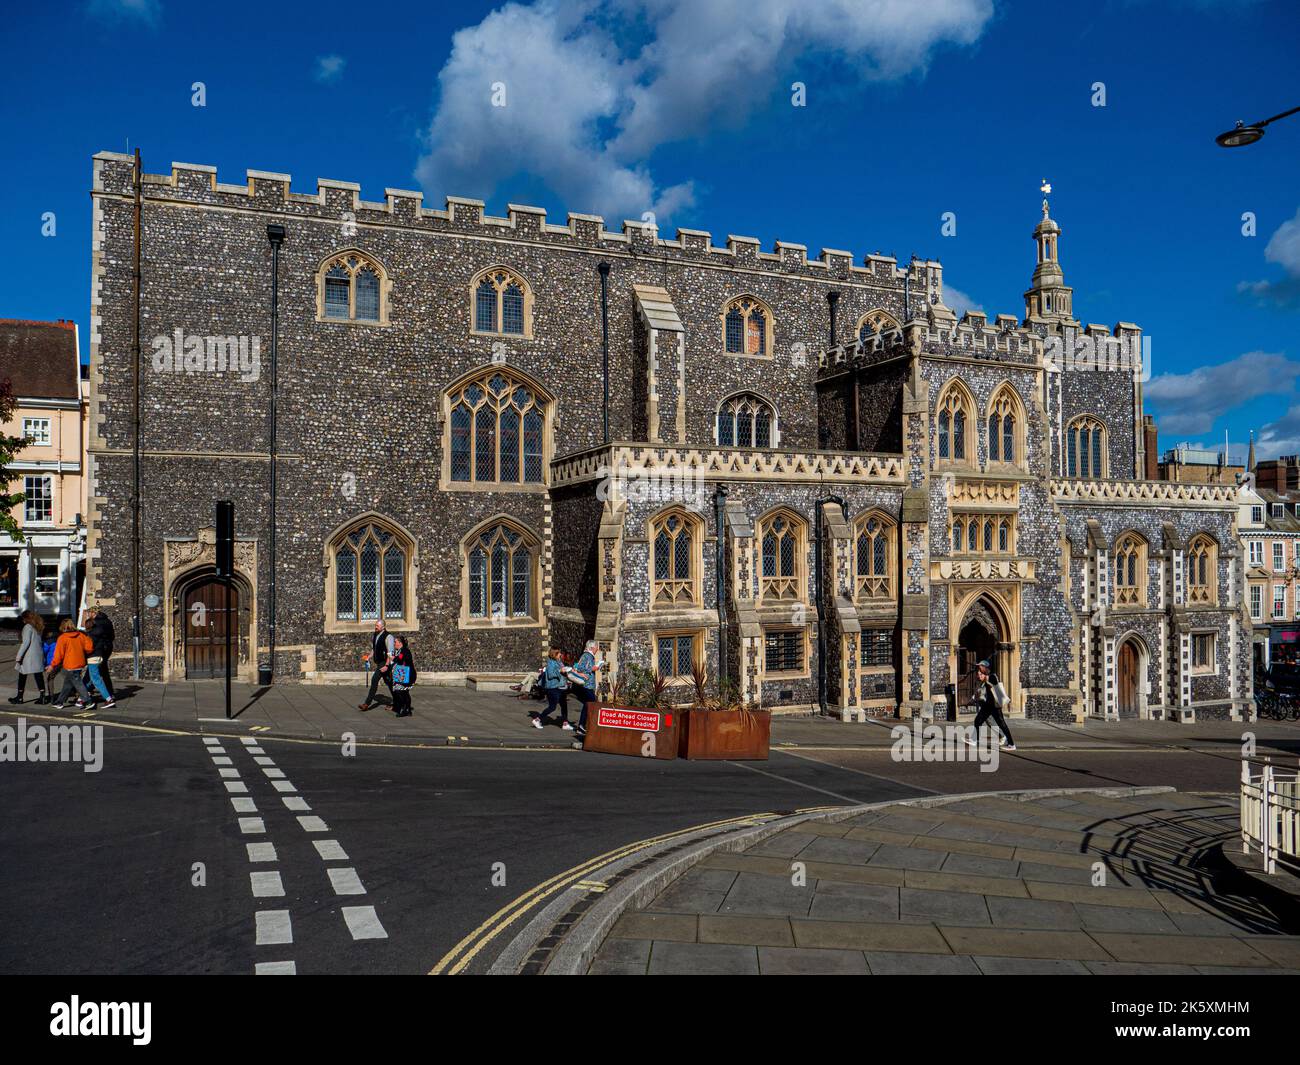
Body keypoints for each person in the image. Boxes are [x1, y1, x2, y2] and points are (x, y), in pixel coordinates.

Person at [45, 619, 95, 709]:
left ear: (62, 627)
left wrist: (52, 665)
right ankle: (59, 702)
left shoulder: (62, 638)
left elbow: (58, 655)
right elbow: (89, 648)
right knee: (67, 684)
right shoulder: (81, 635)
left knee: (78, 684)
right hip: (80, 663)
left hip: (70, 665)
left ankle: (88, 701)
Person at [971, 658, 1016, 751]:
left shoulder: (992, 676)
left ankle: (1011, 744)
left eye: (980, 667)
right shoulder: (987, 676)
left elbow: (995, 685)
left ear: (985, 667)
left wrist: (986, 680)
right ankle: (974, 740)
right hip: (989, 705)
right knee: (977, 721)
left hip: (994, 705)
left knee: (1002, 724)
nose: (979, 669)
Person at [567, 640, 606, 741]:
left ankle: (581, 726)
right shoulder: (587, 655)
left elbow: (581, 667)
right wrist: (596, 667)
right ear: (592, 647)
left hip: (588, 685)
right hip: (587, 685)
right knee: (592, 704)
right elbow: (581, 667)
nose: (597, 649)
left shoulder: (587, 655)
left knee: (587, 704)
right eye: (597, 647)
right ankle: (587, 726)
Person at [10, 611, 49, 705]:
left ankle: (19, 697)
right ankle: (43, 696)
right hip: (38, 654)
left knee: (22, 675)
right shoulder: (38, 626)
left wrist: (19, 656)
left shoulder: (28, 627)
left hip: (29, 655)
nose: (22, 620)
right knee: (38, 675)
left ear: (26, 618)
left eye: (23, 618)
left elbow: (26, 643)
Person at [358, 619, 396, 711]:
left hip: (385, 663)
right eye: (375, 625)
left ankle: (366, 704)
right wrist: (369, 657)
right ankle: (398, 702)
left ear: (383, 627)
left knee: (374, 679)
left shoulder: (389, 637)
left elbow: (390, 653)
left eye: (377, 626)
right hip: (380, 663)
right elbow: (374, 649)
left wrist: (386, 665)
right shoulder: (376, 634)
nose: (375, 627)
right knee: (389, 683)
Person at [533, 648, 574, 730]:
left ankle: (565, 723)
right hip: (553, 688)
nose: (560, 654)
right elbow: (550, 675)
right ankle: (537, 720)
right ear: (555, 654)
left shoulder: (559, 662)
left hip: (561, 687)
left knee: (564, 705)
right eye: (559, 653)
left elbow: (562, 671)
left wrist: (566, 670)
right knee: (552, 707)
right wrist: (560, 670)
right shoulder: (551, 663)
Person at [84, 607, 117, 708]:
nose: (88, 614)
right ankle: (108, 693)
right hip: (107, 647)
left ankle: (107, 696)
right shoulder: (107, 620)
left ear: (93, 613)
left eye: (89, 613)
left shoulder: (96, 623)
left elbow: (93, 639)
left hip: (99, 649)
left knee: (95, 673)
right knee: (101, 671)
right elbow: (112, 636)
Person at [389, 635, 416, 718]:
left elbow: (403, 660)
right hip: (401, 673)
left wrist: (394, 658)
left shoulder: (404, 651)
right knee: (402, 692)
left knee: (402, 692)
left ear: (400, 643)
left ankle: (405, 709)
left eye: (395, 642)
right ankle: (406, 709)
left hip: (406, 674)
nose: (394, 643)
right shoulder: (399, 651)